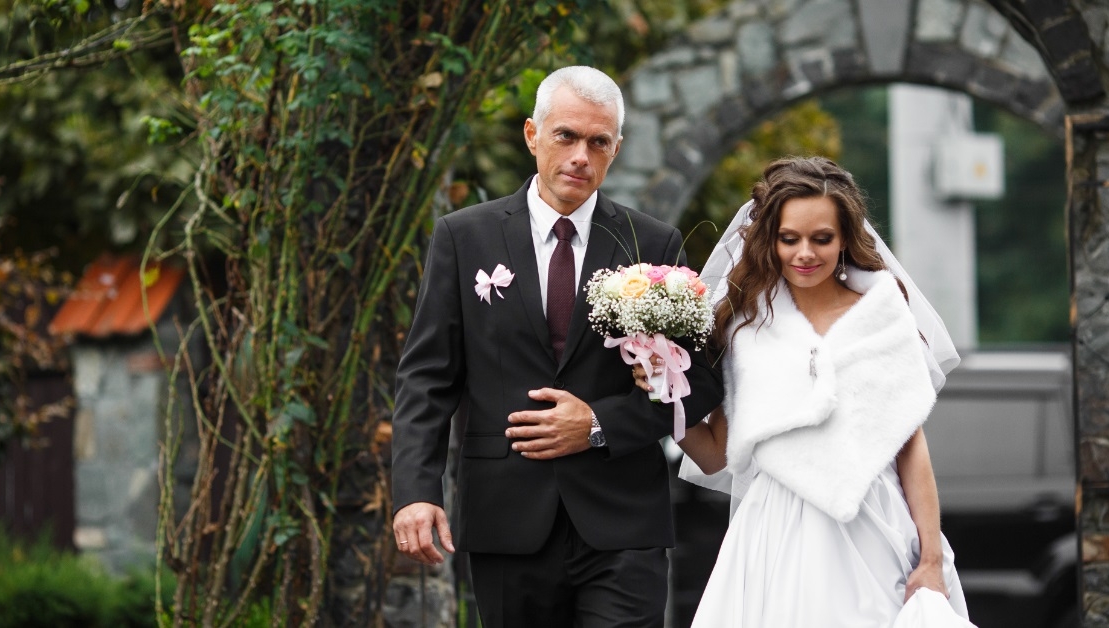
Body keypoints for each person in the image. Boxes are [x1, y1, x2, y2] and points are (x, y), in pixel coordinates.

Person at [390, 65, 724, 628]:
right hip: (506, 517)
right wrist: (415, 492)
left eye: (598, 142)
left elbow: (700, 385)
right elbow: (427, 377)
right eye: (565, 136)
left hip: (623, 521)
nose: (580, 157)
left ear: (615, 149)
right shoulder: (462, 237)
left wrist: (598, 422)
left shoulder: (655, 244)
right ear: (532, 135)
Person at [635, 156, 971, 626]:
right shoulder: (742, 328)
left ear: (846, 238)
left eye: (822, 238)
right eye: (788, 238)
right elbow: (715, 455)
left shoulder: (882, 314)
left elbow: (911, 448)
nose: (805, 253)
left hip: (874, 526)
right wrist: (663, 387)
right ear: (768, 238)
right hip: (773, 533)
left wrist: (931, 558)